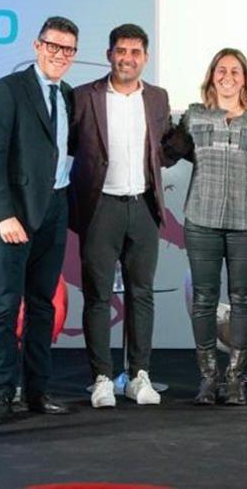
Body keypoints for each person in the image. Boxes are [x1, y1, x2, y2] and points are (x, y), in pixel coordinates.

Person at [68, 23, 180, 408]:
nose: (127, 58)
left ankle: (139, 376)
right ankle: (101, 378)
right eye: (121, 51)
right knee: (98, 295)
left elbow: (163, 149)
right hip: (100, 208)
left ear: (145, 58)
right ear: (109, 54)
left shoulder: (158, 98)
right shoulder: (83, 97)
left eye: (135, 52)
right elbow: (68, 148)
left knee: (141, 295)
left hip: (144, 207)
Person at [0, 16, 79, 424]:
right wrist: (3, 215)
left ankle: (37, 391)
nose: (59, 55)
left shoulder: (68, 95)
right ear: (37, 46)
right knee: (5, 306)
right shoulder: (8, 90)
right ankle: (0, 394)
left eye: (68, 49)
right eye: (53, 46)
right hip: (13, 216)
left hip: (54, 210)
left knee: (43, 306)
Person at [167, 48, 247, 406]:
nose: (228, 76)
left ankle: (235, 380)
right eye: (221, 70)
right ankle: (208, 379)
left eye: (235, 71)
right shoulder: (194, 118)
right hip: (202, 219)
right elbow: (166, 154)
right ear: (212, 76)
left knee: (242, 299)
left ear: (245, 79)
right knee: (204, 299)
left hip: (246, 221)